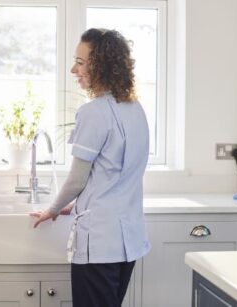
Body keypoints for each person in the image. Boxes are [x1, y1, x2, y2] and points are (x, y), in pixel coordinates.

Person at [31, 28, 150, 307]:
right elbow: (116, 174)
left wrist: (52, 208)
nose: (74, 70)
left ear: (101, 65)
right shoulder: (135, 109)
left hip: (100, 243)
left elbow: (77, 179)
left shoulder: (93, 111)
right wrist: (78, 205)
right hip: (128, 241)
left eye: (81, 63)